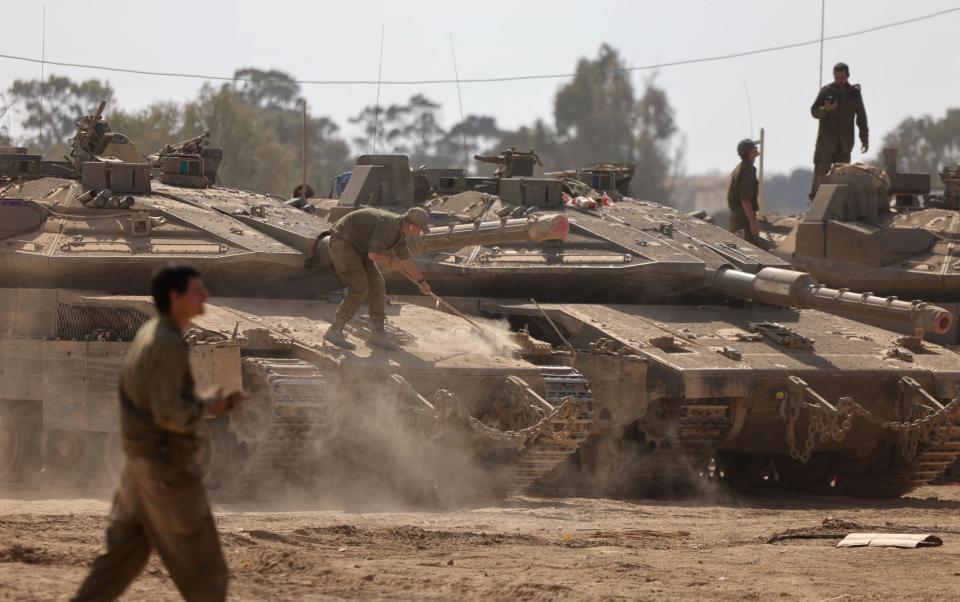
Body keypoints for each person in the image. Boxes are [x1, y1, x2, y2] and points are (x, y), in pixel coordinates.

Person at [73, 266, 242, 602]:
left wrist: (206, 402)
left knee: (120, 560)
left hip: (139, 468)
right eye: (197, 290)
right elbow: (171, 414)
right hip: (167, 468)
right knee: (205, 568)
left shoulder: (150, 334)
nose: (206, 296)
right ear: (174, 297)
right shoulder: (166, 344)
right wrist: (210, 409)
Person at [323, 207, 432, 351]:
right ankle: (335, 330)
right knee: (360, 288)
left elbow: (406, 260)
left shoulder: (399, 233)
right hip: (343, 244)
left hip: (359, 248)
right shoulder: (389, 224)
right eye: (420, 229)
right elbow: (373, 255)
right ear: (412, 225)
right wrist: (391, 261)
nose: (419, 233)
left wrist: (421, 282)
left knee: (377, 286)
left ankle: (377, 334)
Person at [809, 62, 869, 199]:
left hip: (844, 144)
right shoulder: (826, 92)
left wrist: (864, 139)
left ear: (847, 76)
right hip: (826, 143)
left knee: (842, 177)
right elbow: (813, 111)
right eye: (836, 78)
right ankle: (816, 205)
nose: (839, 81)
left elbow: (861, 118)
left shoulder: (854, 94)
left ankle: (838, 207)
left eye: (842, 78)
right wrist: (825, 109)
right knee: (820, 175)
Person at [727, 138, 760, 245]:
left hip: (738, 217)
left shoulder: (740, 167)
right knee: (747, 250)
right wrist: (752, 221)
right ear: (750, 151)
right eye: (754, 147)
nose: (757, 148)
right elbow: (745, 198)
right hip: (743, 219)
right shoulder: (747, 169)